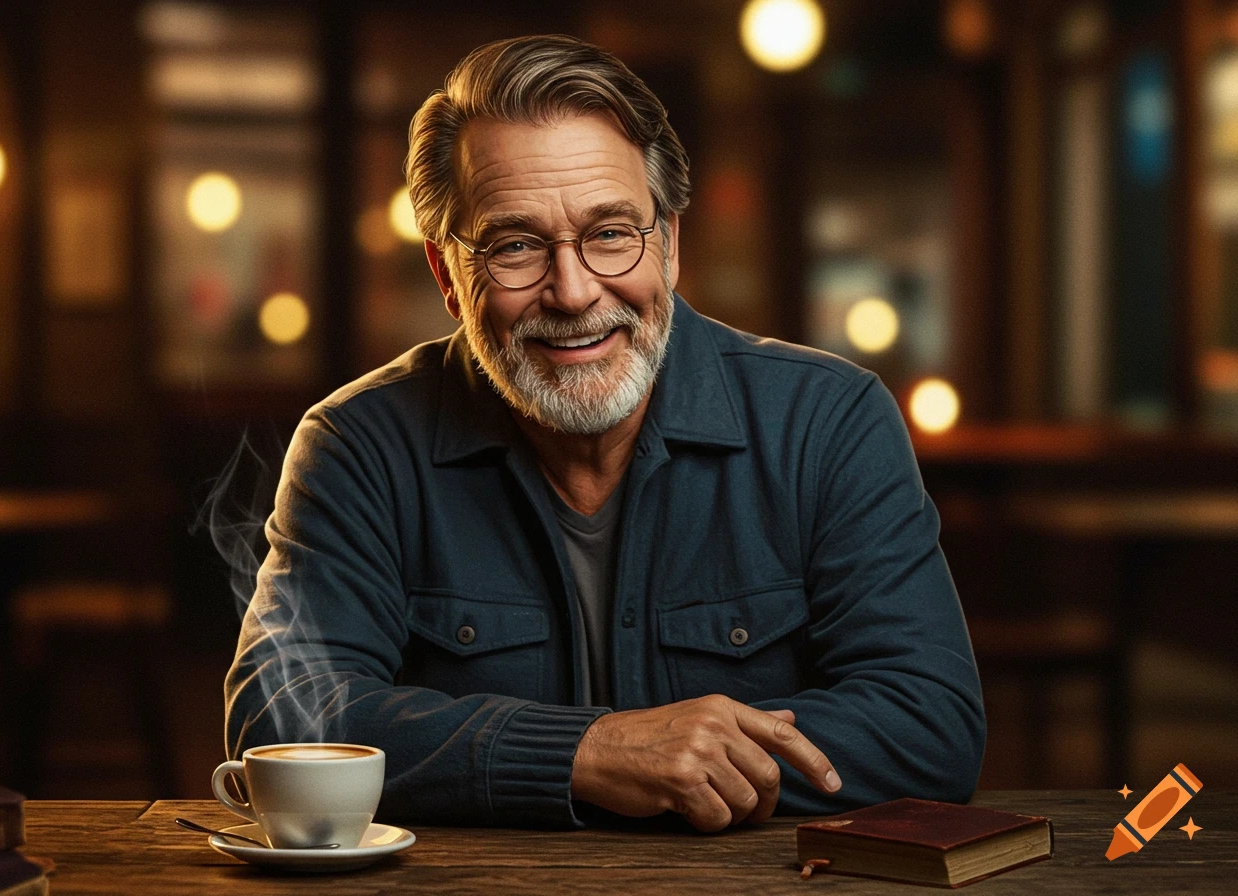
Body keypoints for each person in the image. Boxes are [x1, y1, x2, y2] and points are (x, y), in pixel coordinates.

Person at [225, 34, 985, 832]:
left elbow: (927, 723)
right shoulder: (358, 445)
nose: (574, 291)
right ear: (448, 275)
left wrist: (685, 767)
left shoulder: (827, 421)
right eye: (515, 245)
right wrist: (585, 755)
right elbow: (282, 718)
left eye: (612, 233)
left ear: (671, 243)